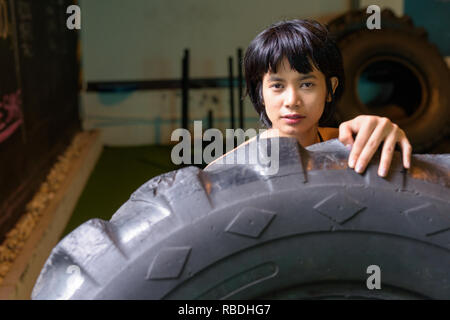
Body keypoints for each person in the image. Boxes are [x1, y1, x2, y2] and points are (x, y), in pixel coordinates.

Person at [205, 19, 412, 177]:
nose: (292, 101)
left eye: (306, 84)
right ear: (260, 93)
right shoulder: (229, 168)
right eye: (277, 86)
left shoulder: (352, 146)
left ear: (330, 89)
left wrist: (385, 135)